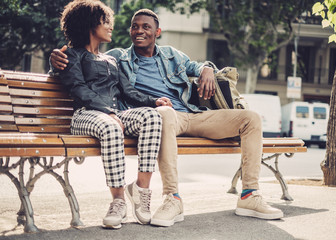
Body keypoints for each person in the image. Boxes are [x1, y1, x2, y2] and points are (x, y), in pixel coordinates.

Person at [51, 8, 284, 226]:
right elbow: (78, 67)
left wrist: (208, 69)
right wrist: (55, 60)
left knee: (250, 118)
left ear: (157, 32)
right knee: (164, 113)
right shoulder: (118, 58)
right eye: (134, 27)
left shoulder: (172, 55)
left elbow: (197, 65)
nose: (139, 31)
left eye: (145, 27)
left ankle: (250, 194)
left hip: (191, 115)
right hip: (162, 117)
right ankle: (172, 198)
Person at [57, 1, 173, 229]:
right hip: (85, 116)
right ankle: (118, 201)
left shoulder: (111, 60)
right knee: (110, 127)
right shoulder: (71, 55)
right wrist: (108, 111)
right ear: (90, 25)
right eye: (105, 22)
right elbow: (79, 88)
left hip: (113, 115)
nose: (110, 26)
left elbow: (128, 92)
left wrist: (154, 101)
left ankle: (141, 191)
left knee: (153, 116)